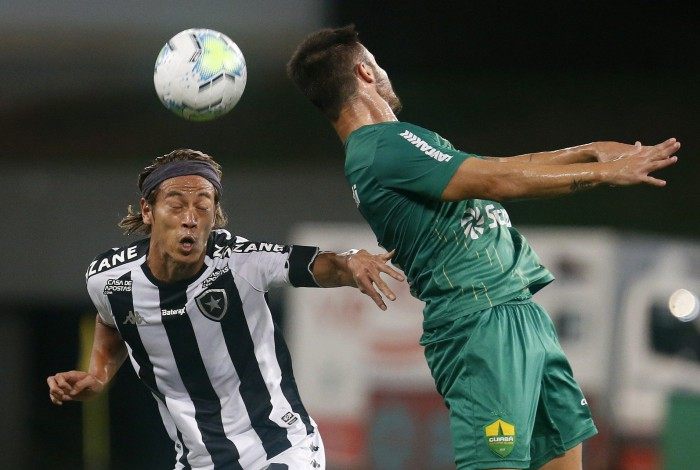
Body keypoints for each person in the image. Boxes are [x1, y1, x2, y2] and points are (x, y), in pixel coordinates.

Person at [287, 25, 680, 470]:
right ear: (363, 71)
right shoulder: (381, 148)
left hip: (516, 311)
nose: (384, 72)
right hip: (479, 325)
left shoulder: (394, 146)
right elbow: (498, 181)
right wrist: (601, 174)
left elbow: (492, 168)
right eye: (377, 63)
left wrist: (588, 152)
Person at [47, 149, 404, 470]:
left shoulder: (241, 262)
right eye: (176, 204)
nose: (190, 218)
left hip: (280, 450)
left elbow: (319, 264)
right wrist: (97, 375)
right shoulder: (109, 279)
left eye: (203, 206)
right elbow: (112, 318)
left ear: (214, 216)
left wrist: (351, 262)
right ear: (148, 211)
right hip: (197, 461)